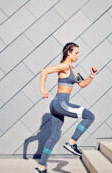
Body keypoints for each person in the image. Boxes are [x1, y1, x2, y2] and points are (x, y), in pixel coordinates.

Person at [34, 42, 98, 173]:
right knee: (90, 116)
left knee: (54, 136)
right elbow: (44, 71)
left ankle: (41, 167)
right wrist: (43, 90)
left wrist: (91, 76)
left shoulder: (73, 70)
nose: (78, 55)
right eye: (76, 52)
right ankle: (72, 142)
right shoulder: (64, 66)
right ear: (68, 52)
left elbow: (82, 84)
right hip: (60, 103)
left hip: (57, 105)